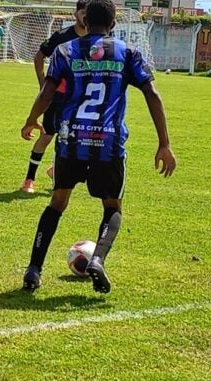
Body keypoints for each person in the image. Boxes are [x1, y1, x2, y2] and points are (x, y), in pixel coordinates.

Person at [20, 0, 176, 294]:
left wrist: (31, 120)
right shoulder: (127, 52)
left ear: (84, 20)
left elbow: (47, 92)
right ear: (114, 23)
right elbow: (152, 93)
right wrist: (164, 143)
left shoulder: (65, 51)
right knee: (112, 206)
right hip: (109, 142)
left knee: (57, 203)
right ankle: (98, 261)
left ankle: (33, 269)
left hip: (71, 139)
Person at [20, 0, 87, 194]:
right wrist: (43, 83)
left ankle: (55, 172)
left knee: (77, 139)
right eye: (83, 12)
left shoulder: (94, 39)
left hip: (80, 99)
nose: (86, 17)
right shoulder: (63, 36)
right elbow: (39, 56)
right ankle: (29, 179)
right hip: (57, 96)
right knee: (47, 134)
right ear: (76, 14)